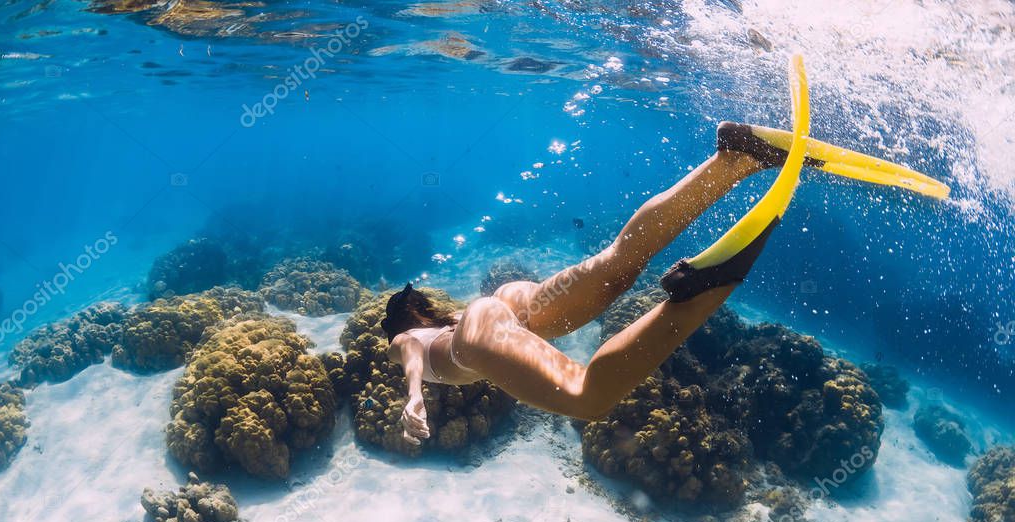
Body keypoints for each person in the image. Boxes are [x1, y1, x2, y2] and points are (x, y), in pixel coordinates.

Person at [383, 56, 948, 445]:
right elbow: (452, 332)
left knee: (586, 396)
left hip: (476, 339)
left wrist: (414, 400)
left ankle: (701, 289)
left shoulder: (405, 339)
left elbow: (409, 352)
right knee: (614, 268)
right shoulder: (446, 315)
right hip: (500, 306)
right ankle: (736, 159)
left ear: (400, 323)